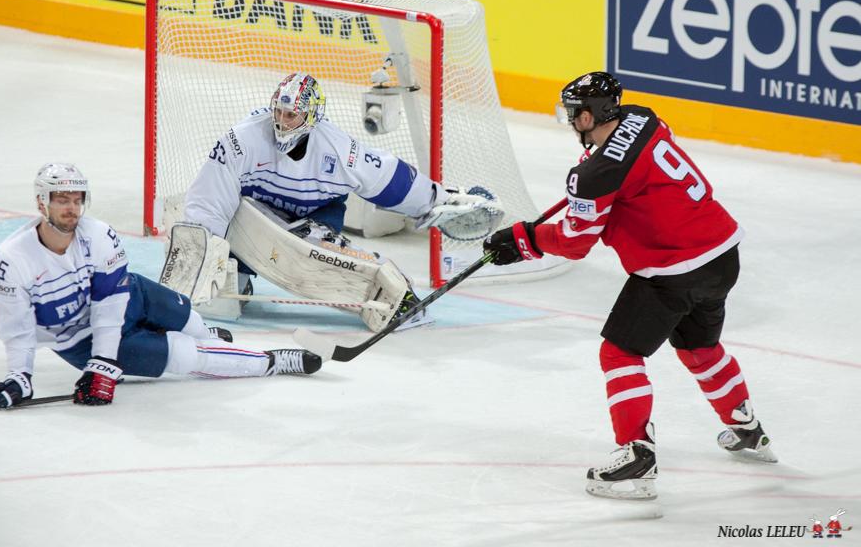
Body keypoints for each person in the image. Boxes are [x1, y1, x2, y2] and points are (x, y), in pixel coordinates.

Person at [483, 71, 776, 500]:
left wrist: (524, 240)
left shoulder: (596, 174)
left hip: (673, 269)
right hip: (721, 255)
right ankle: (747, 429)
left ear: (587, 117)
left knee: (619, 352)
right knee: (700, 347)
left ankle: (637, 457)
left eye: (573, 113)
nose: (571, 121)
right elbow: (633, 170)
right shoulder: (644, 118)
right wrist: (598, 182)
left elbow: (575, 243)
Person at [0, 163, 321, 409]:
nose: (72, 208)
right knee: (185, 356)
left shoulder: (99, 235)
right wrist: (20, 377)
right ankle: (271, 361)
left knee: (187, 317)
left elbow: (109, 307)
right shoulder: (11, 261)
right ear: (41, 203)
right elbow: (17, 329)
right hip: (79, 341)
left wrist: (104, 363)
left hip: (128, 299)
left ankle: (207, 334)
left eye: (77, 199)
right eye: (62, 200)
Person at [174, 72, 501, 332]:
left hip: (316, 216)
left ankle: (389, 293)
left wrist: (438, 201)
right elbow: (208, 201)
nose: (282, 122)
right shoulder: (241, 139)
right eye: (279, 112)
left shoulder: (340, 151)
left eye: (292, 115)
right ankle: (239, 277)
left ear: (311, 116)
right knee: (233, 240)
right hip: (254, 217)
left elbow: (389, 179)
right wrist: (199, 264)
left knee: (310, 262)